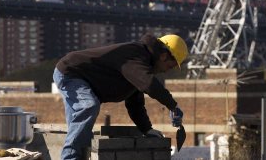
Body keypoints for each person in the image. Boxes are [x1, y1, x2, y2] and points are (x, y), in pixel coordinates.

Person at [52, 33, 188, 160]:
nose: (166, 70)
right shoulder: (136, 55)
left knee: (80, 131)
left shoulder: (140, 66)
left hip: (77, 77)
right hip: (71, 73)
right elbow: (149, 84)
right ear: (164, 56)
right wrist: (172, 105)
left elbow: (135, 104)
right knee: (89, 106)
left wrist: (147, 129)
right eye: (169, 66)